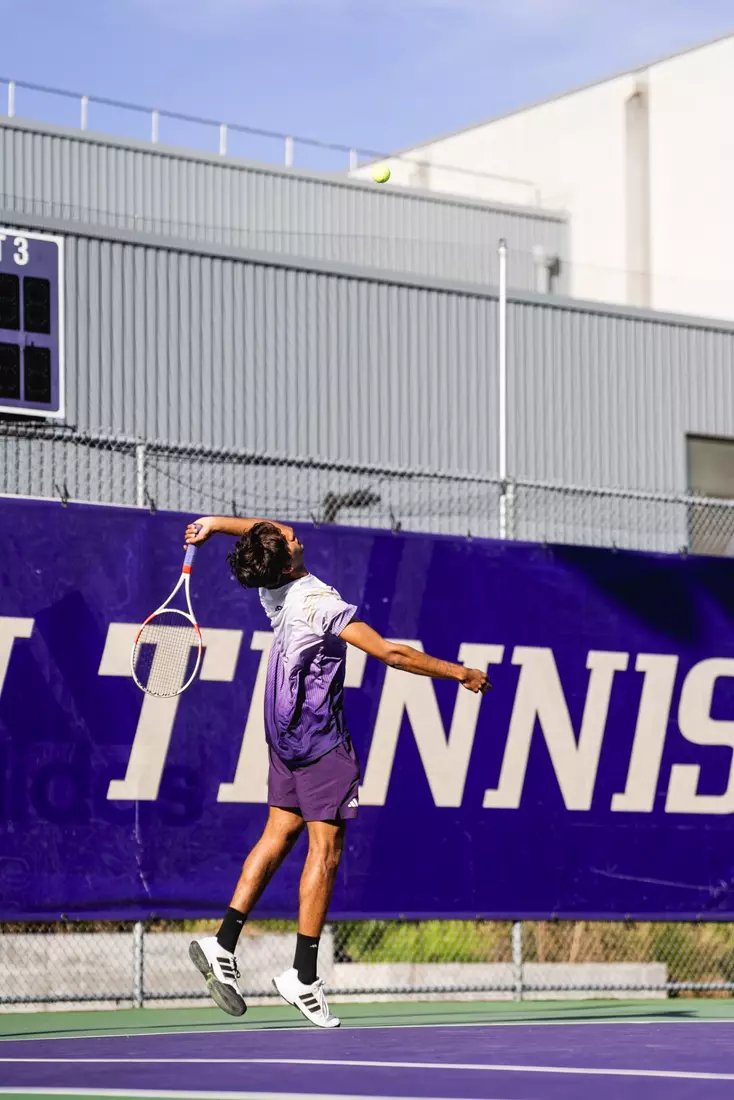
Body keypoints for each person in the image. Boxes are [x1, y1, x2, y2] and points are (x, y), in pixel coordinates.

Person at [186, 515, 491, 1028]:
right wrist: (459, 672)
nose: (291, 532)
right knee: (324, 854)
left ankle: (222, 943)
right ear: (285, 560)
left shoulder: (273, 591)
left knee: (278, 834)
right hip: (320, 743)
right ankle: (303, 977)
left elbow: (265, 532)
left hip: (282, 738)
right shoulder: (315, 603)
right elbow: (391, 653)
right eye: (286, 539)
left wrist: (217, 524)